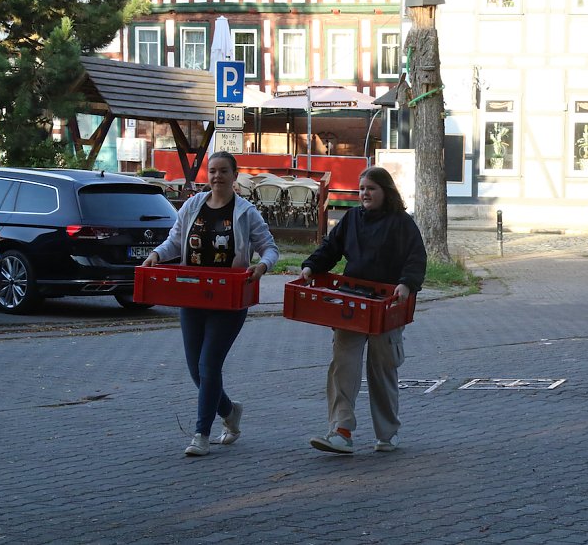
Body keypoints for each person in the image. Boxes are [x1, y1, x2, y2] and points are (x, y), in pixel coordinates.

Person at [142, 151, 279, 456]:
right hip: (191, 296)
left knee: (209, 364)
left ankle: (200, 434)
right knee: (196, 370)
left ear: (234, 175)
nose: (217, 176)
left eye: (223, 171)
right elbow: (174, 242)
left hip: (228, 298)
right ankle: (230, 412)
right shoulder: (192, 205)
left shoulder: (245, 212)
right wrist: (157, 255)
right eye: (213, 171)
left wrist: (263, 267)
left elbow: (269, 247)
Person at [301, 166, 427, 454]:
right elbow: (331, 248)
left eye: (371, 188)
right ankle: (340, 431)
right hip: (352, 304)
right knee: (343, 366)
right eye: (361, 189)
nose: (365, 194)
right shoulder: (352, 219)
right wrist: (311, 265)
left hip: (388, 305)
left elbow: (416, 258)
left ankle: (387, 432)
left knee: (382, 369)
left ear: (385, 192)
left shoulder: (402, 223)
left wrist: (406, 284)